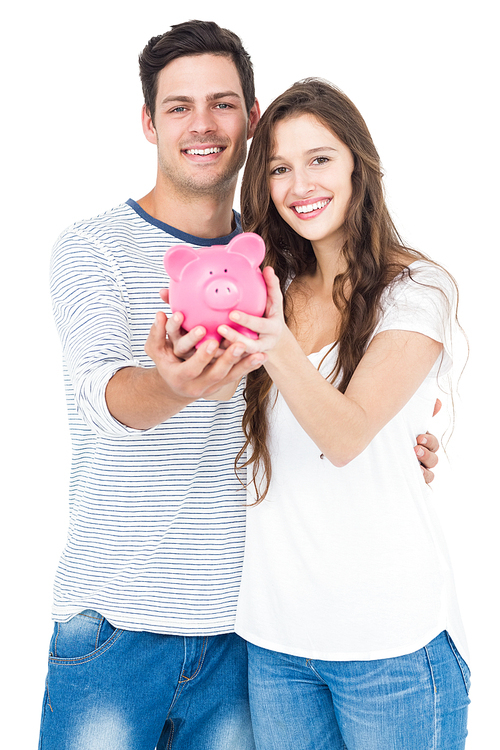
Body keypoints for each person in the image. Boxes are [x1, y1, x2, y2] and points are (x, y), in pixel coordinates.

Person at [38, 21, 441, 750]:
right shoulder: (91, 247)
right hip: (117, 623)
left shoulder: (279, 267)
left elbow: (355, 387)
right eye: (178, 106)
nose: (202, 125)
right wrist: (173, 385)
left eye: (222, 103)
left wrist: (417, 436)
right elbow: (101, 396)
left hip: (248, 634)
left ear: (252, 119)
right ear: (147, 122)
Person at [217, 79, 470, 749]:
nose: (300, 182)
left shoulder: (416, 289)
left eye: (320, 158)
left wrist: (272, 341)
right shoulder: (266, 290)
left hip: (390, 648)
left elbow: (349, 434)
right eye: (278, 167)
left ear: (358, 163)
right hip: (275, 645)